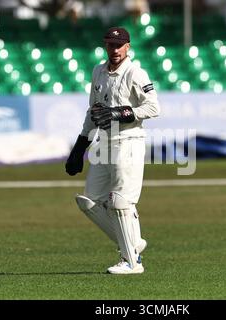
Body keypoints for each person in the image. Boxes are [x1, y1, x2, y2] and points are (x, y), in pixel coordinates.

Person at [65, 26, 160, 274]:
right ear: (105, 46)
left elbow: (153, 108)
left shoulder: (135, 73)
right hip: (103, 143)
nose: (114, 49)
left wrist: (120, 113)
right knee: (89, 201)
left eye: (119, 45)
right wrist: (80, 145)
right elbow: (93, 111)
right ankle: (133, 243)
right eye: (110, 45)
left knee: (120, 202)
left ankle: (132, 262)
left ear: (128, 47)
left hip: (129, 141)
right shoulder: (98, 71)